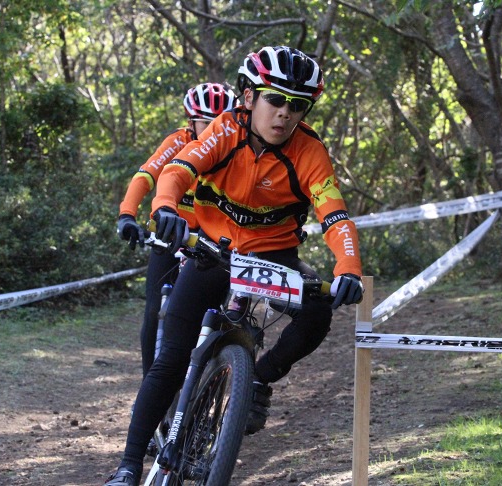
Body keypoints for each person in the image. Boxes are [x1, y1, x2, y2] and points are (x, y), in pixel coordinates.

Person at [104, 45, 364, 486]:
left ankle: (258, 380)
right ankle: (128, 465)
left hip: (273, 256)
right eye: (275, 99)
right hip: (215, 251)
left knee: (319, 310)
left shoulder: (308, 151)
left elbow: (333, 214)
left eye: (297, 106)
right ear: (248, 97)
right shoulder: (226, 131)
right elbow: (177, 170)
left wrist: (349, 267)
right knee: (169, 359)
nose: (285, 114)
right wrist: (164, 207)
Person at [116, 82, 236, 378]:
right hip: (171, 236)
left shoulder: (234, 148)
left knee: (214, 317)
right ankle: (151, 383)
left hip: (210, 242)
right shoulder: (178, 141)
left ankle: (204, 386)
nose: (212, 129)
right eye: (206, 123)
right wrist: (127, 214)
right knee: (155, 311)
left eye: (219, 123)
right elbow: (145, 175)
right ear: (191, 121)